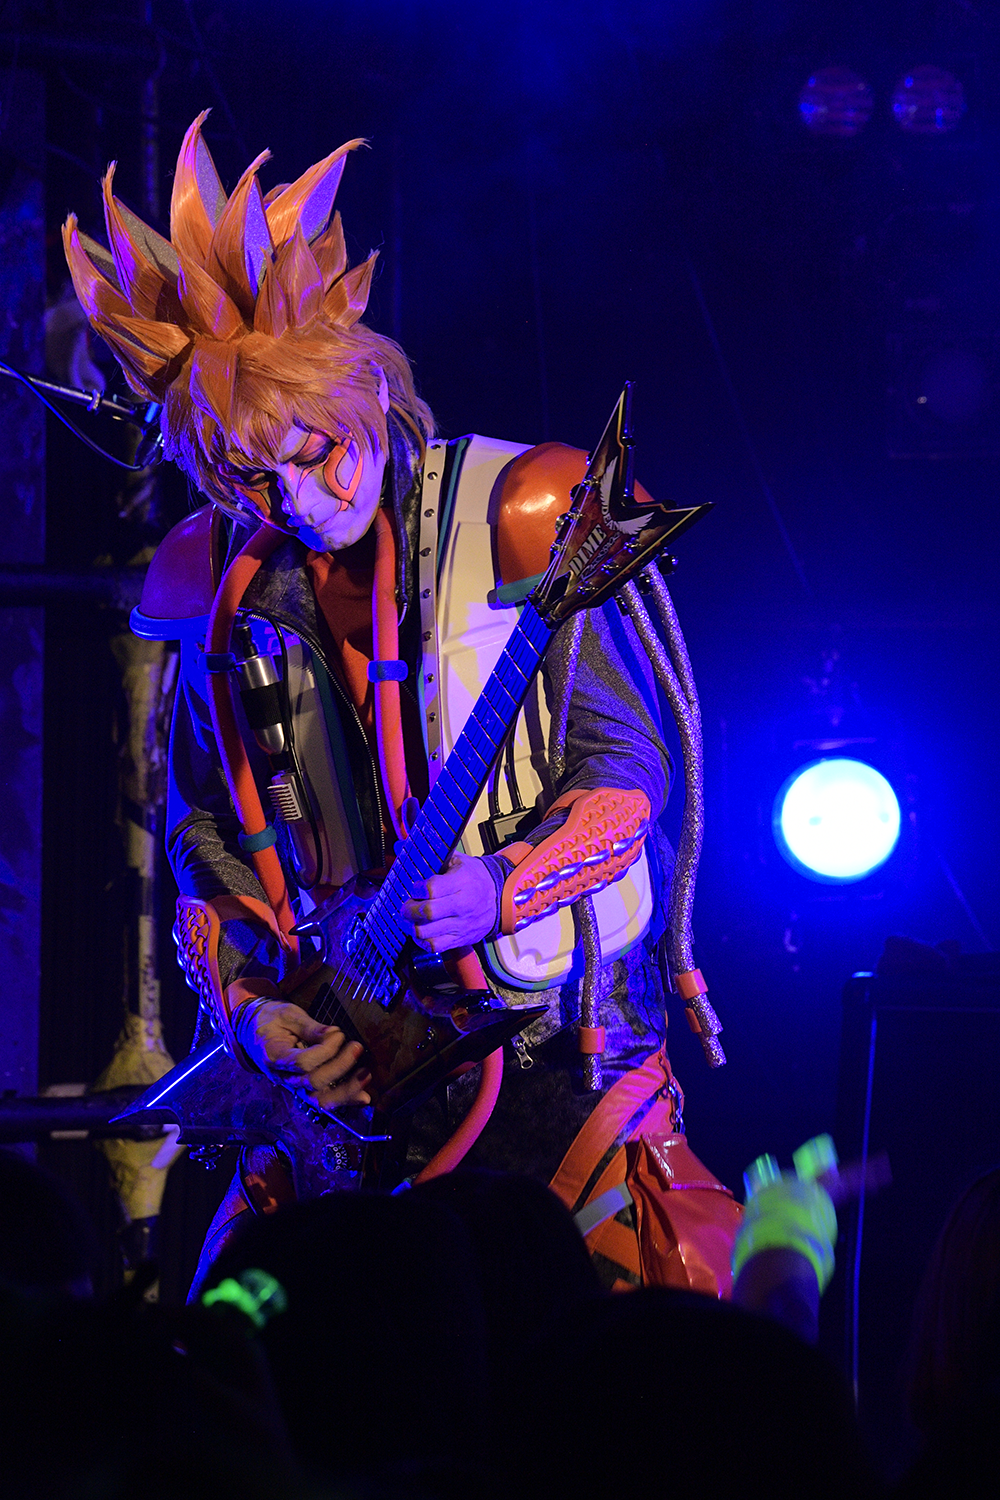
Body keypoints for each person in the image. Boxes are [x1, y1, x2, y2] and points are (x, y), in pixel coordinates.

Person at [63, 114, 693, 1281]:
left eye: (316, 453)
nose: (300, 501)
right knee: (261, 1343)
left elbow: (629, 772)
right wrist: (251, 1010)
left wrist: (504, 888)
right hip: (343, 1065)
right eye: (253, 478)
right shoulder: (219, 581)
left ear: (365, 394)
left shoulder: (520, 512)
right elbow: (205, 836)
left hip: (559, 1049)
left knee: (626, 1332)